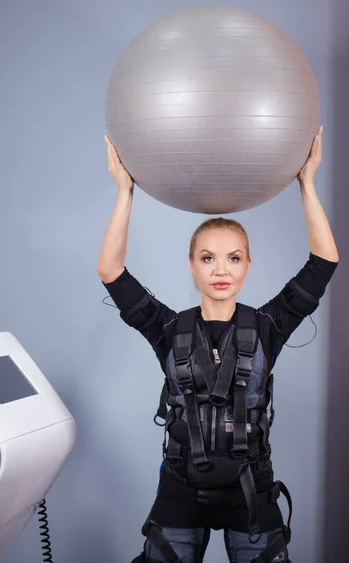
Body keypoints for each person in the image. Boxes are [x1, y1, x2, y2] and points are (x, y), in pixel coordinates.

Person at [97, 126, 338, 563]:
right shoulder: (167, 328)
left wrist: (307, 183)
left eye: (233, 257)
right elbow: (111, 271)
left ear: (248, 265)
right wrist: (125, 192)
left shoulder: (268, 325)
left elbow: (324, 263)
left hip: (251, 488)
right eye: (207, 257)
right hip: (180, 487)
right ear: (192, 266)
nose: (220, 269)